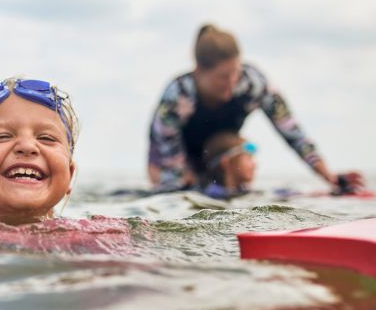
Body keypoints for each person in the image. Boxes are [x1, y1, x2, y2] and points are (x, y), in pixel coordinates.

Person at [147, 24, 364, 194]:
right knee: (179, 191)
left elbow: (292, 132)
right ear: (199, 71)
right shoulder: (178, 96)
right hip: (174, 161)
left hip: (225, 157)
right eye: (223, 77)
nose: (231, 83)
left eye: (235, 72)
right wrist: (182, 187)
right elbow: (167, 158)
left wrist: (330, 178)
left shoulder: (252, 83)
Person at [0, 77, 79, 225]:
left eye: (47, 138)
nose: (27, 146)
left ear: (69, 174)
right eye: (2, 136)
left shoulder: (94, 234)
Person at [200, 131, 257, 199]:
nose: (254, 165)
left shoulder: (243, 192)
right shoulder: (211, 196)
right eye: (248, 158)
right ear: (226, 162)